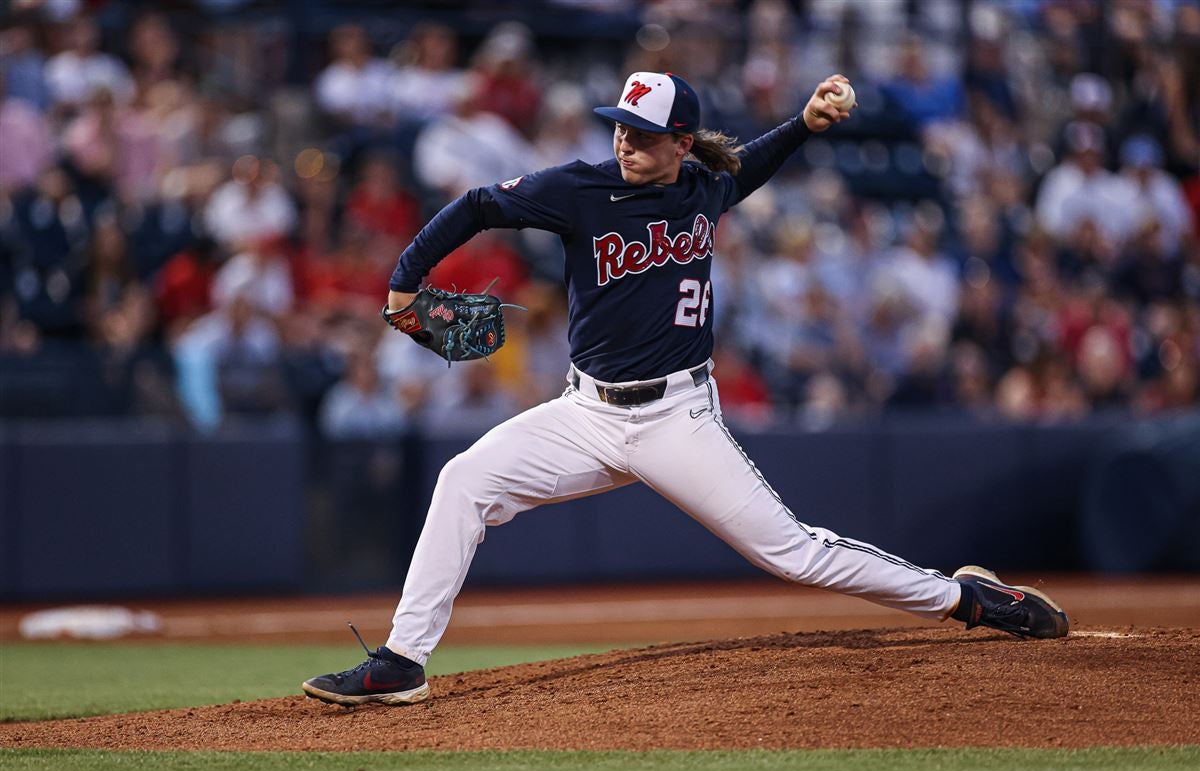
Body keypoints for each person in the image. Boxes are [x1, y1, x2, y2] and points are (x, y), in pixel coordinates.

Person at [302, 71, 1069, 707]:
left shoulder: (703, 187)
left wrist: (804, 123)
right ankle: (403, 659)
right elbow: (477, 206)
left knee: (794, 553)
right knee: (463, 478)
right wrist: (405, 283)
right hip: (584, 410)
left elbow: (751, 165)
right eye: (620, 125)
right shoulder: (578, 189)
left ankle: (968, 598)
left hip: (678, 417)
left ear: (681, 144)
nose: (624, 140)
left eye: (641, 131)